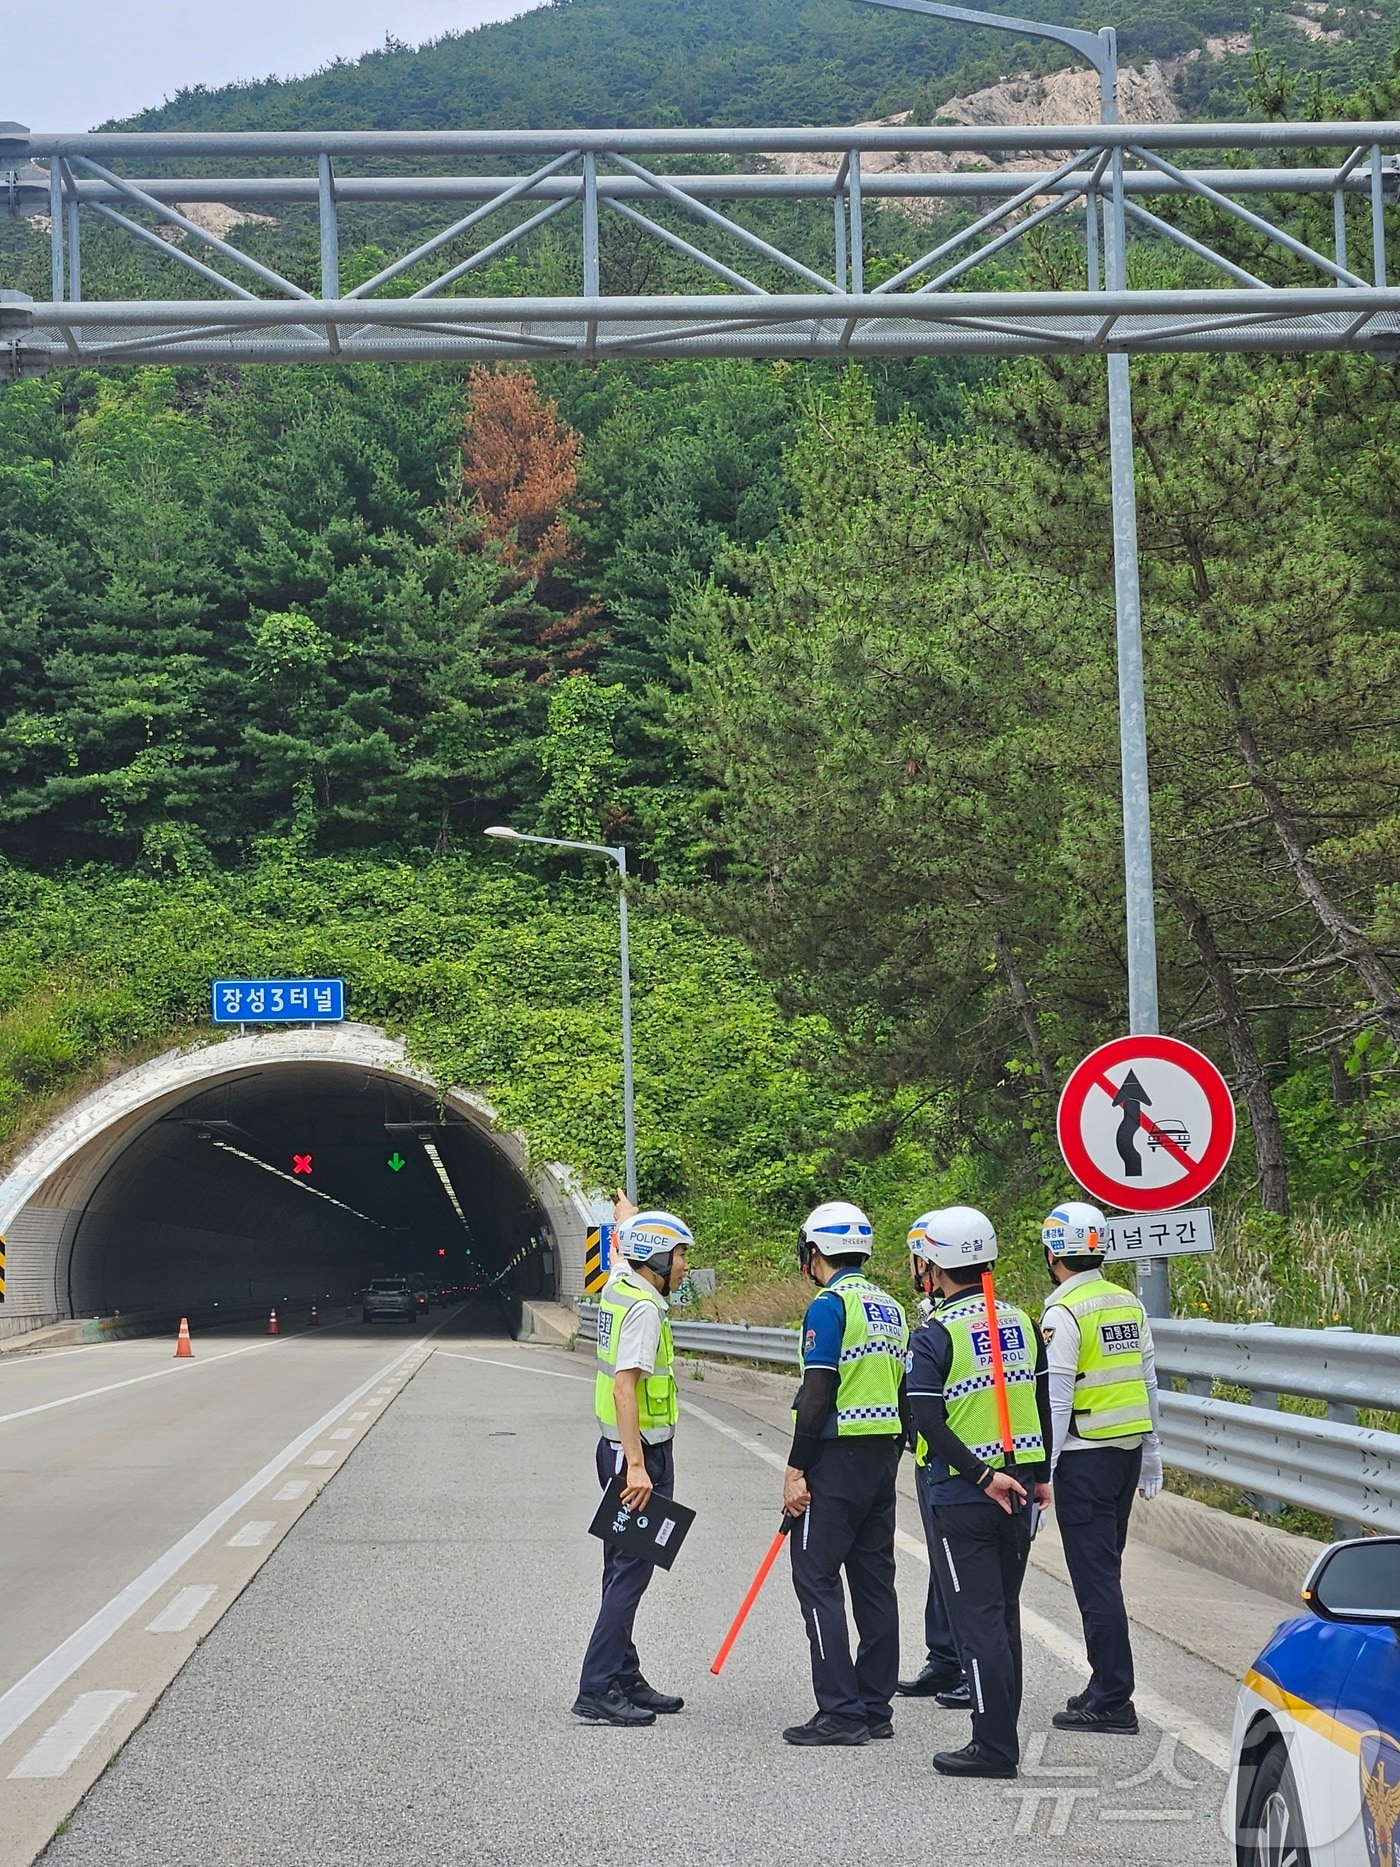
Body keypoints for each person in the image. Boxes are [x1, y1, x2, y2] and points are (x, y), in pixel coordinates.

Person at [906, 1206, 1051, 1780]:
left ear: (937, 1264)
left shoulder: (935, 1332)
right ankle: (1000, 1738)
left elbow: (927, 1421)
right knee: (1003, 1618)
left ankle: (993, 1748)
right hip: (1018, 1491)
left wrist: (980, 1476)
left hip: (967, 1494)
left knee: (979, 1623)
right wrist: (1041, 1477)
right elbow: (1038, 1404)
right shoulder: (1018, 1320)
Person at [781, 1200, 909, 1748]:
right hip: (883, 1457)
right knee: (874, 1580)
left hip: (834, 1457)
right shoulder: (891, 1306)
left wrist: (795, 1469)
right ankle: (875, 1705)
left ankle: (839, 1710)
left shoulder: (829, 1307)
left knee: (815, 1578)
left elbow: (816, 1396)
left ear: (815, 1252)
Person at [1040, 1199, 1163, 1736]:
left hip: (1084, 1458)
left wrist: (1043, 1468)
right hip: (1126, 1454)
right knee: (1105, 1572)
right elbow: (1150, 1382)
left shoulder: (1063, 1311)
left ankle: (1113, 1697)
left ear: (1053, 1253)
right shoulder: (1127, 1304)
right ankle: (1104, 1686)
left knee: (1096, 1582)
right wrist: (1153, 1455)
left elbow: (1057, 1397)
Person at [572, 1202, 692, 1727]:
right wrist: (639, 1466)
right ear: (656, 1259)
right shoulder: (643, 1307)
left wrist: (629, 1216)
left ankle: (623, 1674)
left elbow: (622, 1249)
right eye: (681, 1255)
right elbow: (626, 1388)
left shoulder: (619, 1286)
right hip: (637, 1454)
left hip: (614, 1449)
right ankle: (597, 1686)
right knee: (631, 1570)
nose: (685, 1265)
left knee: (618, 1564)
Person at [896, 1209, 966, 1707]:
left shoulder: (956, 1319)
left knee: (963, 1569)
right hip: (932, 1455)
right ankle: (944, 1659)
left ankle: (967, 1663)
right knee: (942, 1563)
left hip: (961, 1460)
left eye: (917, 1259)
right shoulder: (930, 1314)